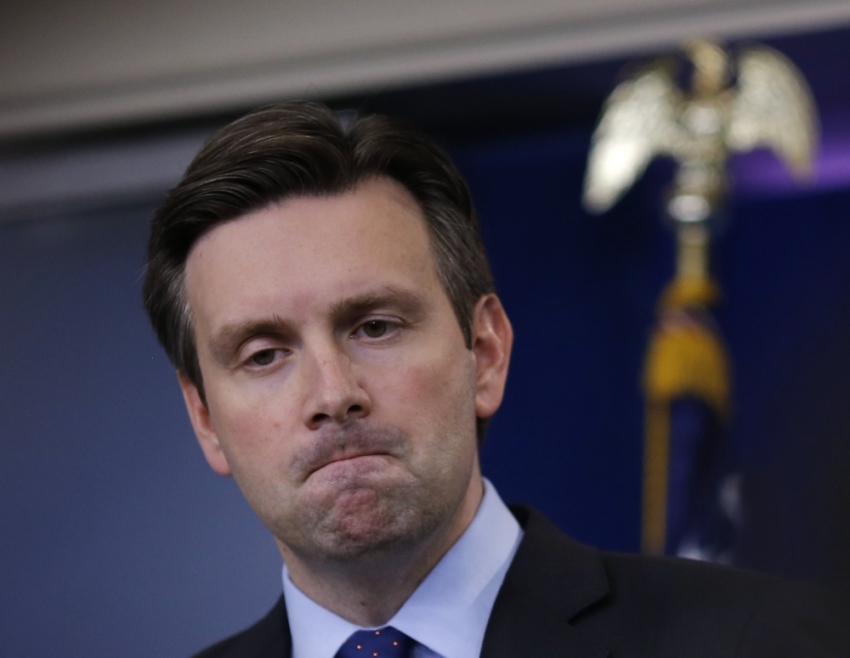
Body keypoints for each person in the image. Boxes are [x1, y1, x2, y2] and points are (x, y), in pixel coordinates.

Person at [143, 102, 849, 658]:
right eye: (264, 354)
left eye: (375, 326)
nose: (332, 394)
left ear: (484, 353)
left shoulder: (761, 642)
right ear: (205, 419)